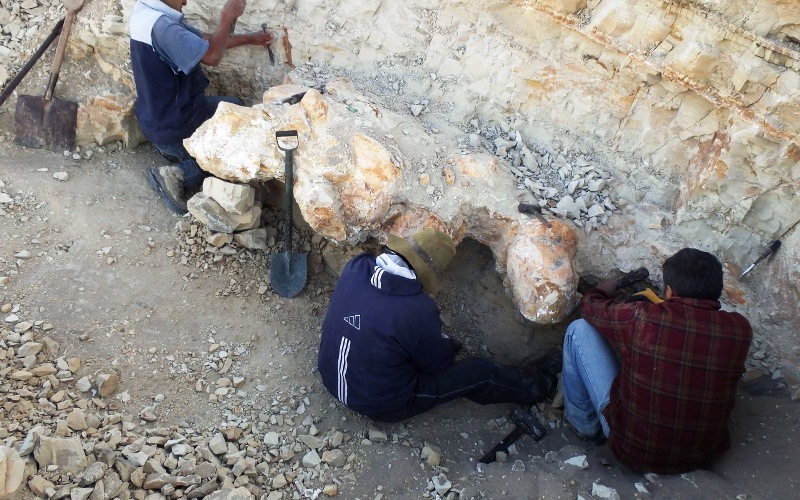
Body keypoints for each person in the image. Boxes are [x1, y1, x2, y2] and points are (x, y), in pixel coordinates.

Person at [317, 228, 561, 423]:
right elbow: (438, 365)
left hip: (330, 377)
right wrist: (445, 346)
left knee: (397, 344)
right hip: (381, 403)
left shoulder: (357, 266)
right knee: (479, 372)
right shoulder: (417, 309)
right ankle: (542, 385)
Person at [561, 248, 753, 474]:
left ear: (669, 291)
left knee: (578, 331)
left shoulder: (643, 317)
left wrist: (602, 289)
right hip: (701, 457)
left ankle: (586, 427)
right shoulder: (739, 330)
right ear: (717, 290)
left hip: (633, 453)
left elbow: (590, 308)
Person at [129, 0, 272, 214]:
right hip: (175, 125)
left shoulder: (145, 13)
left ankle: (179, 152)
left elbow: (205, 42)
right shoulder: (164, 28)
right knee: (236, 139)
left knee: (235, 109)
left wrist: (251, 38)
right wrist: (226, 15)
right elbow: (212, 56)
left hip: (155, 120)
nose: (186, 2)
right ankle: (179, 173)